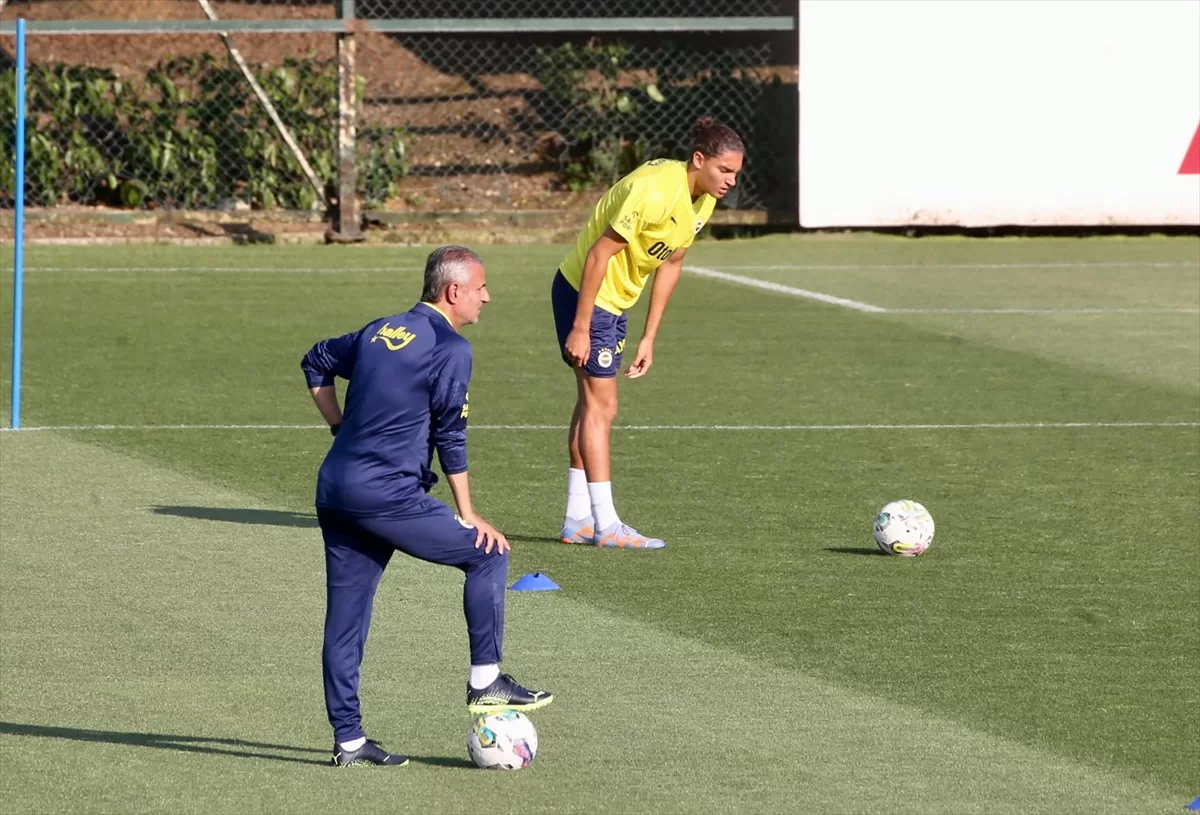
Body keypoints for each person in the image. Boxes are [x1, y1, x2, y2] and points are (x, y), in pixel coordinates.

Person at [302, 245, 552, 768]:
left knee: (346, 620)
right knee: (487, 552)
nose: (487, 297)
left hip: (336, 488)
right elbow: (450, 434)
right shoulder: (450, 346)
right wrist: (469, 513)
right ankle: (486, 680)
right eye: (481, 287)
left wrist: (338, 427)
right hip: (386, 496)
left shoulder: (380, 330)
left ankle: (349, 741)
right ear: (453, 291)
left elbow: (316, 360)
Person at [551, 117, 745, 549]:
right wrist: (581, 326)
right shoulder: (654, 191)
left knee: (591, 404)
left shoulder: (702, 199)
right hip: (588, 293)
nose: (731, 181)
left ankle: (577, 520)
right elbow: (599, 255)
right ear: (699, 159)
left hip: (615, 300)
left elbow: (672, 263)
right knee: (603, 407)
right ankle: (606, 525)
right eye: (724, 170)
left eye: (735, 173)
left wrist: (649, 336)